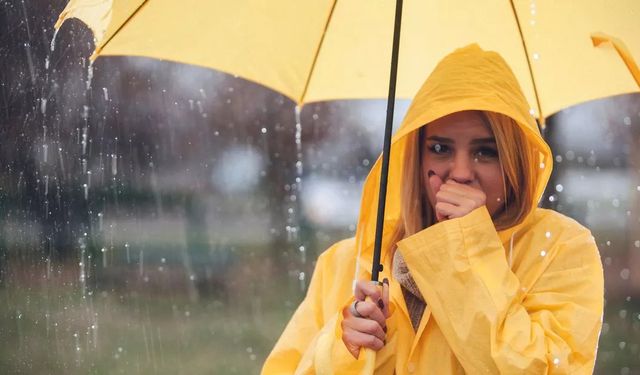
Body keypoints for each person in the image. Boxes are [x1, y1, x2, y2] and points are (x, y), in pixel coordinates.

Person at [262, 44, 604, 374]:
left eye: (485, 152)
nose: (460, 172)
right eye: (440, 148)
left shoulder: (559, 248)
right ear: (415, 158)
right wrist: (344, 351)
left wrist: (467, 249)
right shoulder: (347, 264)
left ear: (514, 160)